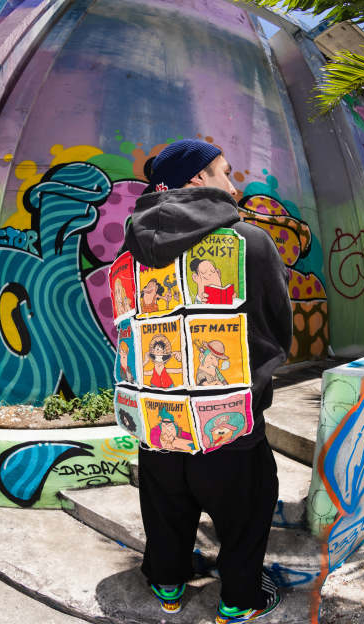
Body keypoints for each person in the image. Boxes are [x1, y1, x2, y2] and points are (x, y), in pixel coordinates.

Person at [117, 139, 292, 623]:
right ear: (198, 178)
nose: (233, 186)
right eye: (225, 172)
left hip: (158, 418)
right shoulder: (249, 242)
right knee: (246, 513)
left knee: (165, 509)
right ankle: (239, 602)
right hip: (229, 424)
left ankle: (167, 586)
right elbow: (277, 327)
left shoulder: (130, 252)